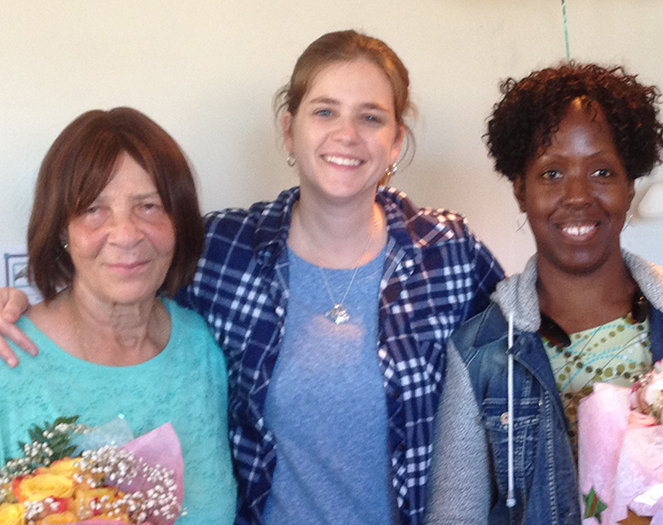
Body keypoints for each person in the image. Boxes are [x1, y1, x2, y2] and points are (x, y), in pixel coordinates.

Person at [0, 31, 504, 525]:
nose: (347, 134)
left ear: (395, 142)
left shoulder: (447, 252)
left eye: (371, 117)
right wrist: (16, 301)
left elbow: (521, 346)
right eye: (325, 111)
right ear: (289, 130)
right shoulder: (227, 250)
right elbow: (117, 285)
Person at [426, 63, 663, 525]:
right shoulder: (479, 353)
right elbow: (456, 514)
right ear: (520, 190)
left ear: (630, 187)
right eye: (552, 173)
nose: (577, 195)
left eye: (601, 171)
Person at [0, 107, 237, 524]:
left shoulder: (206, 347)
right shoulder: (9, 357)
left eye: (149, 206)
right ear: (61, 229)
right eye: (94, 209)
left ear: (178, 221)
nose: (126, 234)